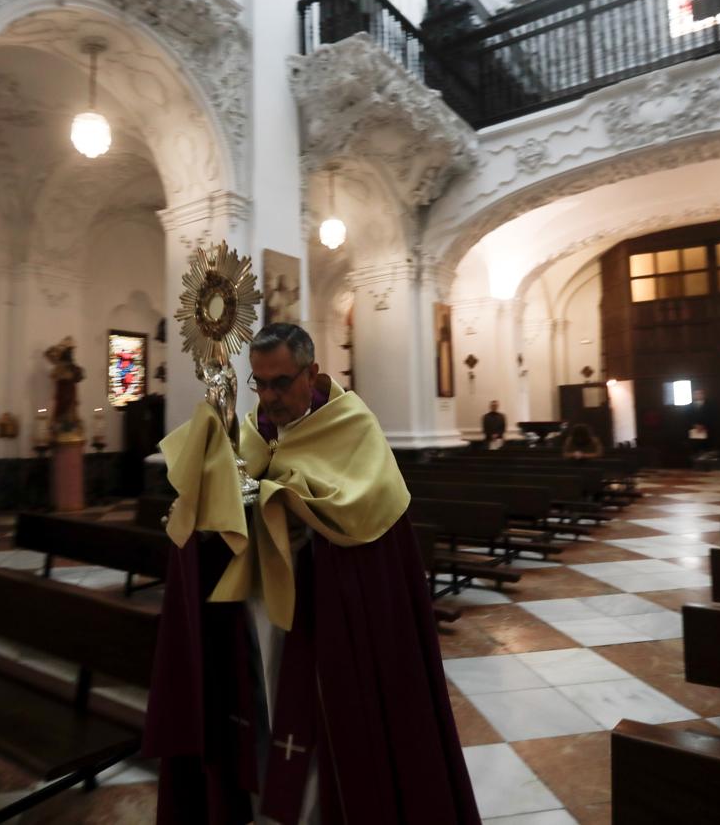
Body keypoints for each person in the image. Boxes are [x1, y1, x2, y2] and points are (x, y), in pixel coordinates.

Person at [145, 323, 480, 825]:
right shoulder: (251, 429)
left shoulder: (352, 429)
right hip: (258, 618)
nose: (271, 397)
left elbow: (367, 528)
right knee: (264, 715)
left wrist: (294, 516)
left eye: (282, 382)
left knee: (326, 735)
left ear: (313, 372)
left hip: (332, 619)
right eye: (260, 383)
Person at [687, 388, 716, 462]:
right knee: (696, 448)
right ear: (693, 395)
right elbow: (687, 418)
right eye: (696, 394)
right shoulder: (689, 406)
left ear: (703, 395)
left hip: (707, 430)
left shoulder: (710, 405)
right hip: (694, 430)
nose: (698, 395)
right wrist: (694, 425)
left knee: (707, 449)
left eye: (700, 393)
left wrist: (704, 425)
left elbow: (713, 417)